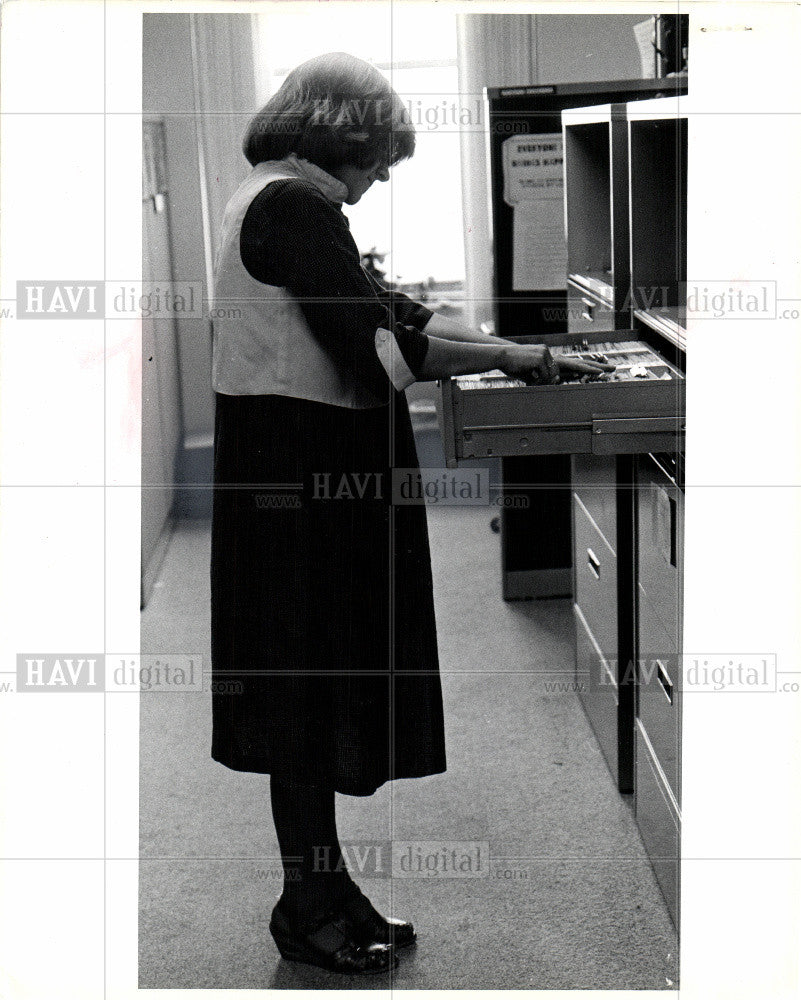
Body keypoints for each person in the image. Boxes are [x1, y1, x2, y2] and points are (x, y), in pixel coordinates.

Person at [210, 51, 611, 977]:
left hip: (292, 473)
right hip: (301, 485)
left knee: (310, 690)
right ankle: (305, 904)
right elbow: (376, 346)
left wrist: (515, 349)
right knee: (306, 696)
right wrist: (511, 364)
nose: (383, 175)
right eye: (380, 157)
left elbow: (382, 308)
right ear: (343, 138)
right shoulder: (295, 208)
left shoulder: (274, 196)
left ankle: (325, 885)